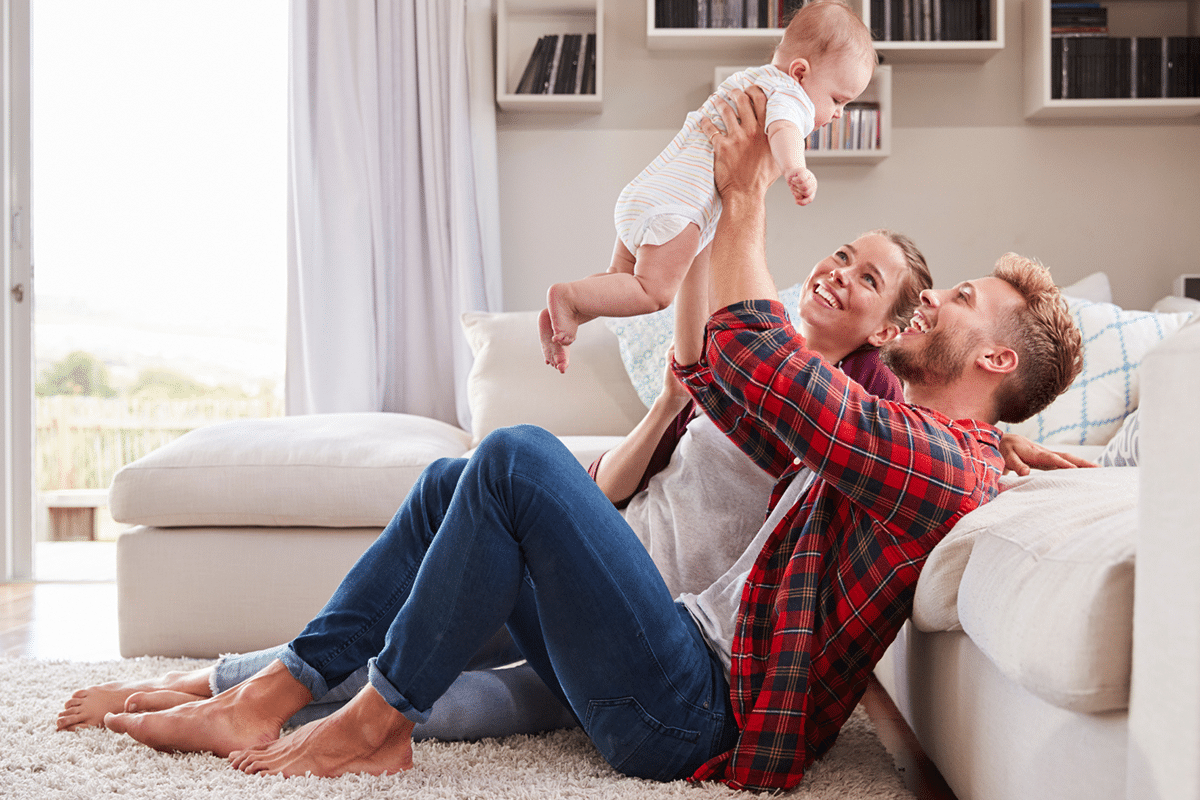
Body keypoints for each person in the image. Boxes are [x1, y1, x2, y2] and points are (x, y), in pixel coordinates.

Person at [86, 86, 1083, 792]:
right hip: (665, 645)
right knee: (459, 475)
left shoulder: (939, 458)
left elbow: (784, 383)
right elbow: (755, 385)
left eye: (959, 300)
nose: (935, 302)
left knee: (518, 454)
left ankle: (372, 723)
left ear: (995, 363)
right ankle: (278, 686)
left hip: (695, 713)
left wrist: (743, 198)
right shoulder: (931, 445)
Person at [538, 0, 876, 373]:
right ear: (800, 72)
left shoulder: (750, 79)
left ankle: (561, 314)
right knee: (653, 293)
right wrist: (796, 168)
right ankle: (567, 296)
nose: (838, 114)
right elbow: (784, 129)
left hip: (649, 191)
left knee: (621, 281)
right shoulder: (790, 95)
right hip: (678, 208)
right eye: (837, 100)